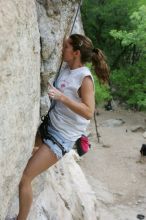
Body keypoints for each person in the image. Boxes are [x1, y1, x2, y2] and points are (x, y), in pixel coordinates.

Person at [8, 34, 109, 220]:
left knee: (25, 178)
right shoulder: (67, 67)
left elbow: (88, 111)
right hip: (50, 124)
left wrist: (62, 97)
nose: (62, 49)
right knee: (17, 151)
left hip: (61, 138)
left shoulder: (84, 79)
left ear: (76, 53)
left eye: (66, 47)